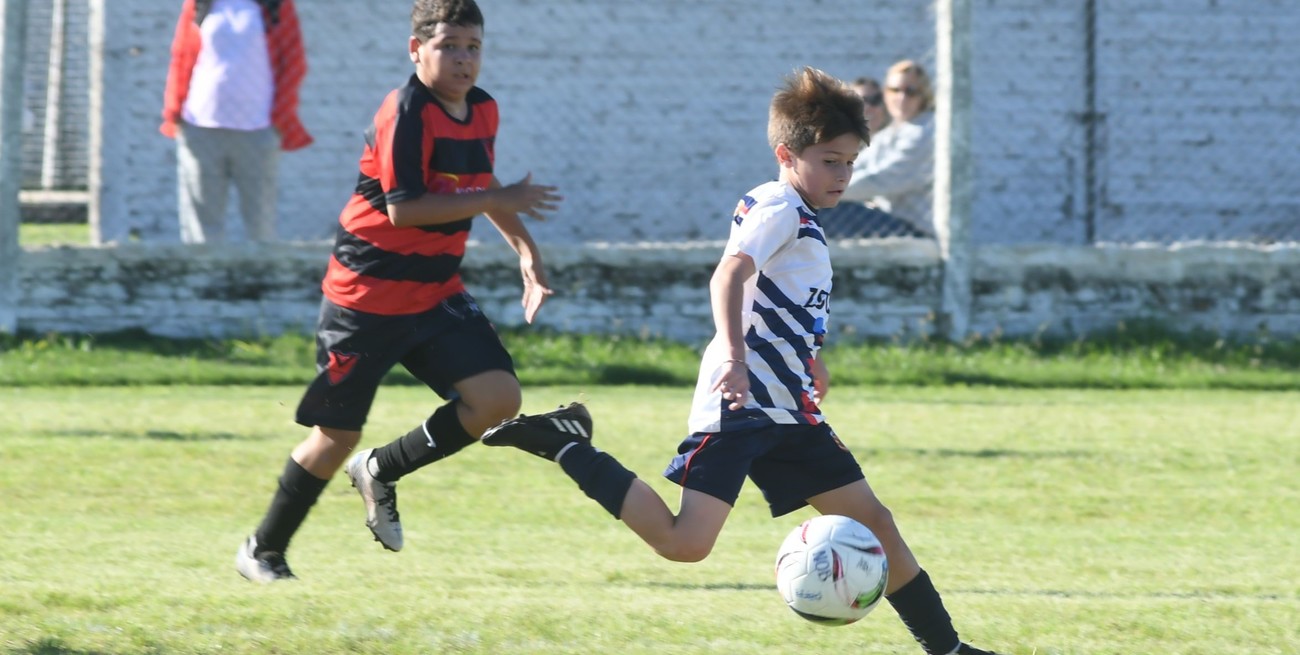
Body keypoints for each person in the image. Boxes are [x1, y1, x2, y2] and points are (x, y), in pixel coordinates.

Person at [481, 67, 1003, 655]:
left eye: (851, 161)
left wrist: (813, 358)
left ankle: (948, 649)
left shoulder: (794, 211)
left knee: (875, 523)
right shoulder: (781, 207)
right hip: (742, 405)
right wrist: (732, 354)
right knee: (685, 544)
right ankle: (567, 443)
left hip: (789, 407)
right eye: (831, 160)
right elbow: (729, 274)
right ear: (788, 153)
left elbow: (783, 300)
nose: (844, 175)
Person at [234, 0, 563, 582]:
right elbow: (405, 208)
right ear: (417, 51)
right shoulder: (404, 110)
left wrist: (527, 254)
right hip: (365, 299)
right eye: (449, 46)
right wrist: (495, 199)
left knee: (496, 400)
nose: (463, 60)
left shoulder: (483, 109)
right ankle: (263, 550)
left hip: (434, 293)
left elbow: (480, 188)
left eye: (473, 47)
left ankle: (381, 470)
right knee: (334, 437)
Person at [160, 0, 312, 243]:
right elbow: (181, 55)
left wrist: (280, 118)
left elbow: (293, 61)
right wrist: (174, 110)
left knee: (259, 222)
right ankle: (202, 276)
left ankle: (260, 278)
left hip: (258, 127)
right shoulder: (200, 4)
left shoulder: (276, 5)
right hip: (200, 125)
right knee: (202, 225)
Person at [837, 59, 937, 238]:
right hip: (888, 219)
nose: (902, 98)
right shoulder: (893, 131)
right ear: (886, 93)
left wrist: (823, 190)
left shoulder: (925, 130)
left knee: (820, 212)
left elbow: (882, 179)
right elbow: (856, 166)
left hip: (914, 228)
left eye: (911, 91)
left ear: (924, 96)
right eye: (895, 90)